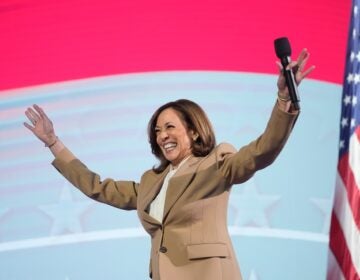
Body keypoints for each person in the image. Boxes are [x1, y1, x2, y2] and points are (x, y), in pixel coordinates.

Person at [24, 48, 314, 280]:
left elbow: (262, 151)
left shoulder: (215, 164)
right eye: (158, 131)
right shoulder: (151, 182)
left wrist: (283, 100)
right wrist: (53, 143)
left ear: (193, 130)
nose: (163, 136)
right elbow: (97, 187)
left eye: (170, 127)